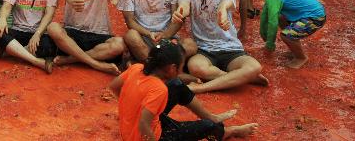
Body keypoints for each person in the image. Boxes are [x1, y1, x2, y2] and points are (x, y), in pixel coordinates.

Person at [109, 39, 258, 141]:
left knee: (176, 84)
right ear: (173, 67)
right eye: (181, 64)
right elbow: (143, 125)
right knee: (208, 126)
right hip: (147, 136)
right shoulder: (159, 89)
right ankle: (228, 132)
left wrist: (128, 109)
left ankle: (212, 116)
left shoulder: (137, 68)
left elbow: (114, 86)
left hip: (133, 129)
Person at [173, 0, 268, 94]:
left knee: (255, 67)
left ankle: (202, 88)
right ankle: (241, 77)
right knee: (195, 67)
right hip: (204, 49)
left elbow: (226, 4)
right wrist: (180, 11)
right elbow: (184, 6)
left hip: (231, 48)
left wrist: (222, 11)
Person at [250, 0, 326, 69]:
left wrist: (270, 44)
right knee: (281, 18)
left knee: (286, 35)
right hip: (310, 14)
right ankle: (294, 46)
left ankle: (301, 57)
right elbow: (265, 14)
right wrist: (264, 35)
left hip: (315, 17)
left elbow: (272, 21)